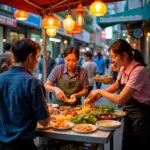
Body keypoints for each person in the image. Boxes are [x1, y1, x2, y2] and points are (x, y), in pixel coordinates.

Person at [85, 39, 150, 150]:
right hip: (129, 114)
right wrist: (99, 96)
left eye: (114, 57)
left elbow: (120, 99)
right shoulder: (123, 68)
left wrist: (100, 91)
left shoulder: (138, 70)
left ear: (124, 55)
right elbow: (116, 85)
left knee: (137, 145)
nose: (112, 60)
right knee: (127, 143)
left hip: (141, 116)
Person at [0, 39, 50, 150]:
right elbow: (44, 121)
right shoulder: (33, 83)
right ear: (31, 57)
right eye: (37, 57)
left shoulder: (1, 78)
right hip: (22, 145)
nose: (37, 60)